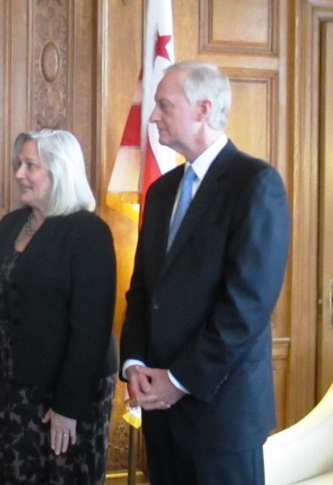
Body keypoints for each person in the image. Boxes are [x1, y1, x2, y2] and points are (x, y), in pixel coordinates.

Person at [119, 61, 290, 484]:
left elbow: (247, 306)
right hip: (161, 412)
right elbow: (142, 291)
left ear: (203, 109)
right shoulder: (160, 193)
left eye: (163, 105)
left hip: (222, 413)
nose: (153, 116)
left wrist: (179, 380)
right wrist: (135, 364)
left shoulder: (255, 183)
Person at [0, 129, 118, 484]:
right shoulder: (11, 225)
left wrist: (68, 408)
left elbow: (91, 329)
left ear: (60, 171)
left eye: (30, 165)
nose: (19, 173)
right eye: (19, 164)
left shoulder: (87, 232)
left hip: (65, 392)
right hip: (10, 389)